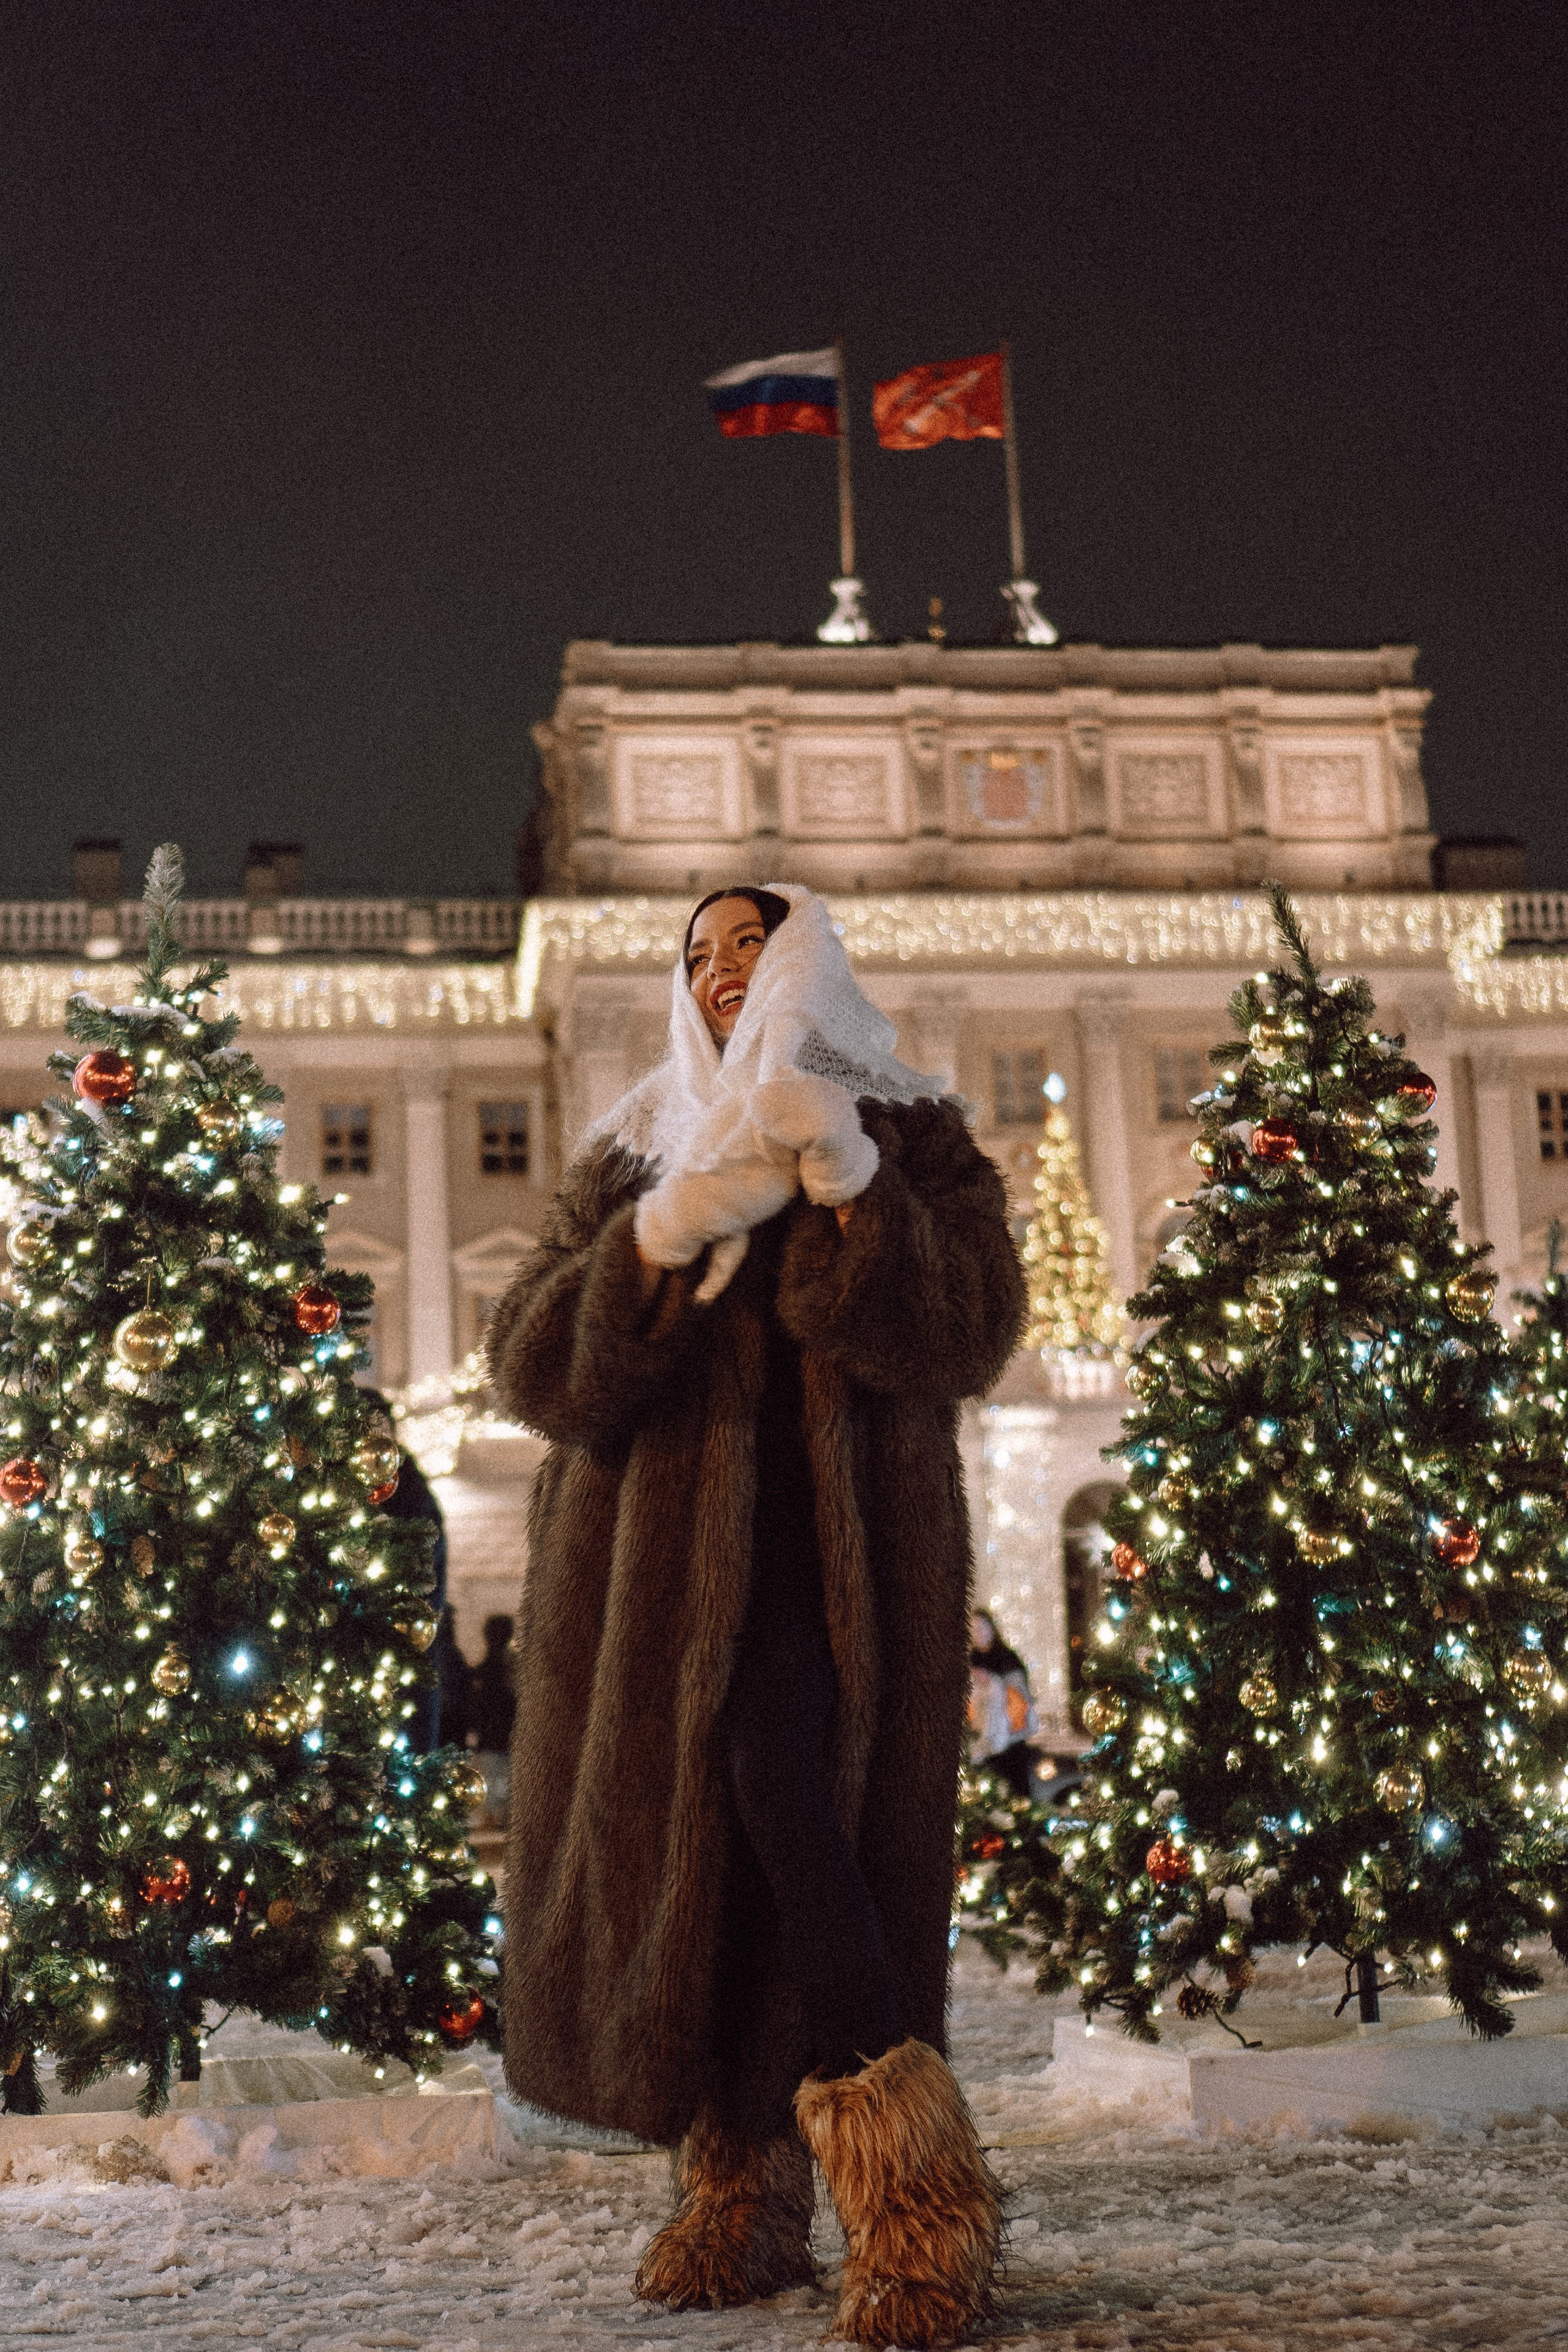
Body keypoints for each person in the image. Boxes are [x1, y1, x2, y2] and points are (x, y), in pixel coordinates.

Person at [487, 883, 1024, 2350]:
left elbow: (969, 1325)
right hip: (650, 1595)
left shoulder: (910, 1127)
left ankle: (916, 2196)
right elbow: (534, 1367)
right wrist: (660, 1234)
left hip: (839, 1572)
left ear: (803, 957)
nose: (721, 970)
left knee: (792, 1808)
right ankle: (742, 2187)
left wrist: (846, 1174)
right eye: (698, 953)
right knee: (710, 1854)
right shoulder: (629, 1150)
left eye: (748, 943)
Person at [968, 1611, 1041, 1800]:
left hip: (1012, 1742)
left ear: (992, 1628)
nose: (979, 1633)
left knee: (1016, 1794)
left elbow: (1019, 1696)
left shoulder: (1007, 1659)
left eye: (983, 1627)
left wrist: (992, 1681)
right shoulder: (970, 1663)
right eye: (974, 1629)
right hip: (983, 1745)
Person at [469, 1611, 517, 1827]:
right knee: (504, 1781)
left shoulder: (484, 1669)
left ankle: (493, 1816)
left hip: (491, 1737)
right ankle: (501, 1817)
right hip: (507, 1736)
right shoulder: (512, 1667)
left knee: (492, 1780)